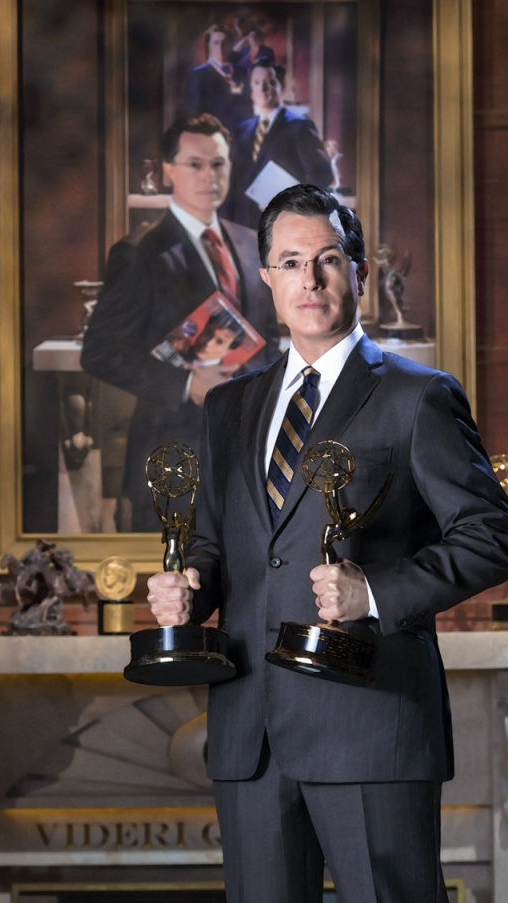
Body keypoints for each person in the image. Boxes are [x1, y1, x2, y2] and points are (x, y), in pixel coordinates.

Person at [146, 184, 508, 903]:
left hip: (370, 720)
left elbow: (493, 535)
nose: (309, 280)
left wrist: (375, 593)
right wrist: (188, 587)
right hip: (251, 729)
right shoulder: (229, 408)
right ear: (266, 280)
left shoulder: (417, 398)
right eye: (291, 263)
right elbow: (222, 545)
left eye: (326, 260)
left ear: (356, 270)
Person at [81, 114, 280, 531]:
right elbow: (99, 352)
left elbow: (270, 338)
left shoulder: (250, 242)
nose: (209, 175)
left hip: (252, 455)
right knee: (173, 590)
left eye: (219, 163)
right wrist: (187, 384)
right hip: (172, 456)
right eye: (195, 164)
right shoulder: (140, 252)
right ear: (168, 170)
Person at [222, 61, 334, 229]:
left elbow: (323, 176)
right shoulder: (242, 130)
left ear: (280, 86)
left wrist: (289, 203)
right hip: (243, 226)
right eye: (257, 83)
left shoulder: (299, 126)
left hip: (282, 225)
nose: (263, 88)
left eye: (270, 82)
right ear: (251, 88)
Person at [186, 26, 253, 132]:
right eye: (216, 43)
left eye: (224, 42)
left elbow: (249, 105)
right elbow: (195, 112)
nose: (221, 47)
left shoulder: (241, 72)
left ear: (230, 45)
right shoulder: (199, 75)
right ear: (209, 45)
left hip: (240, 135)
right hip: (214, 135)